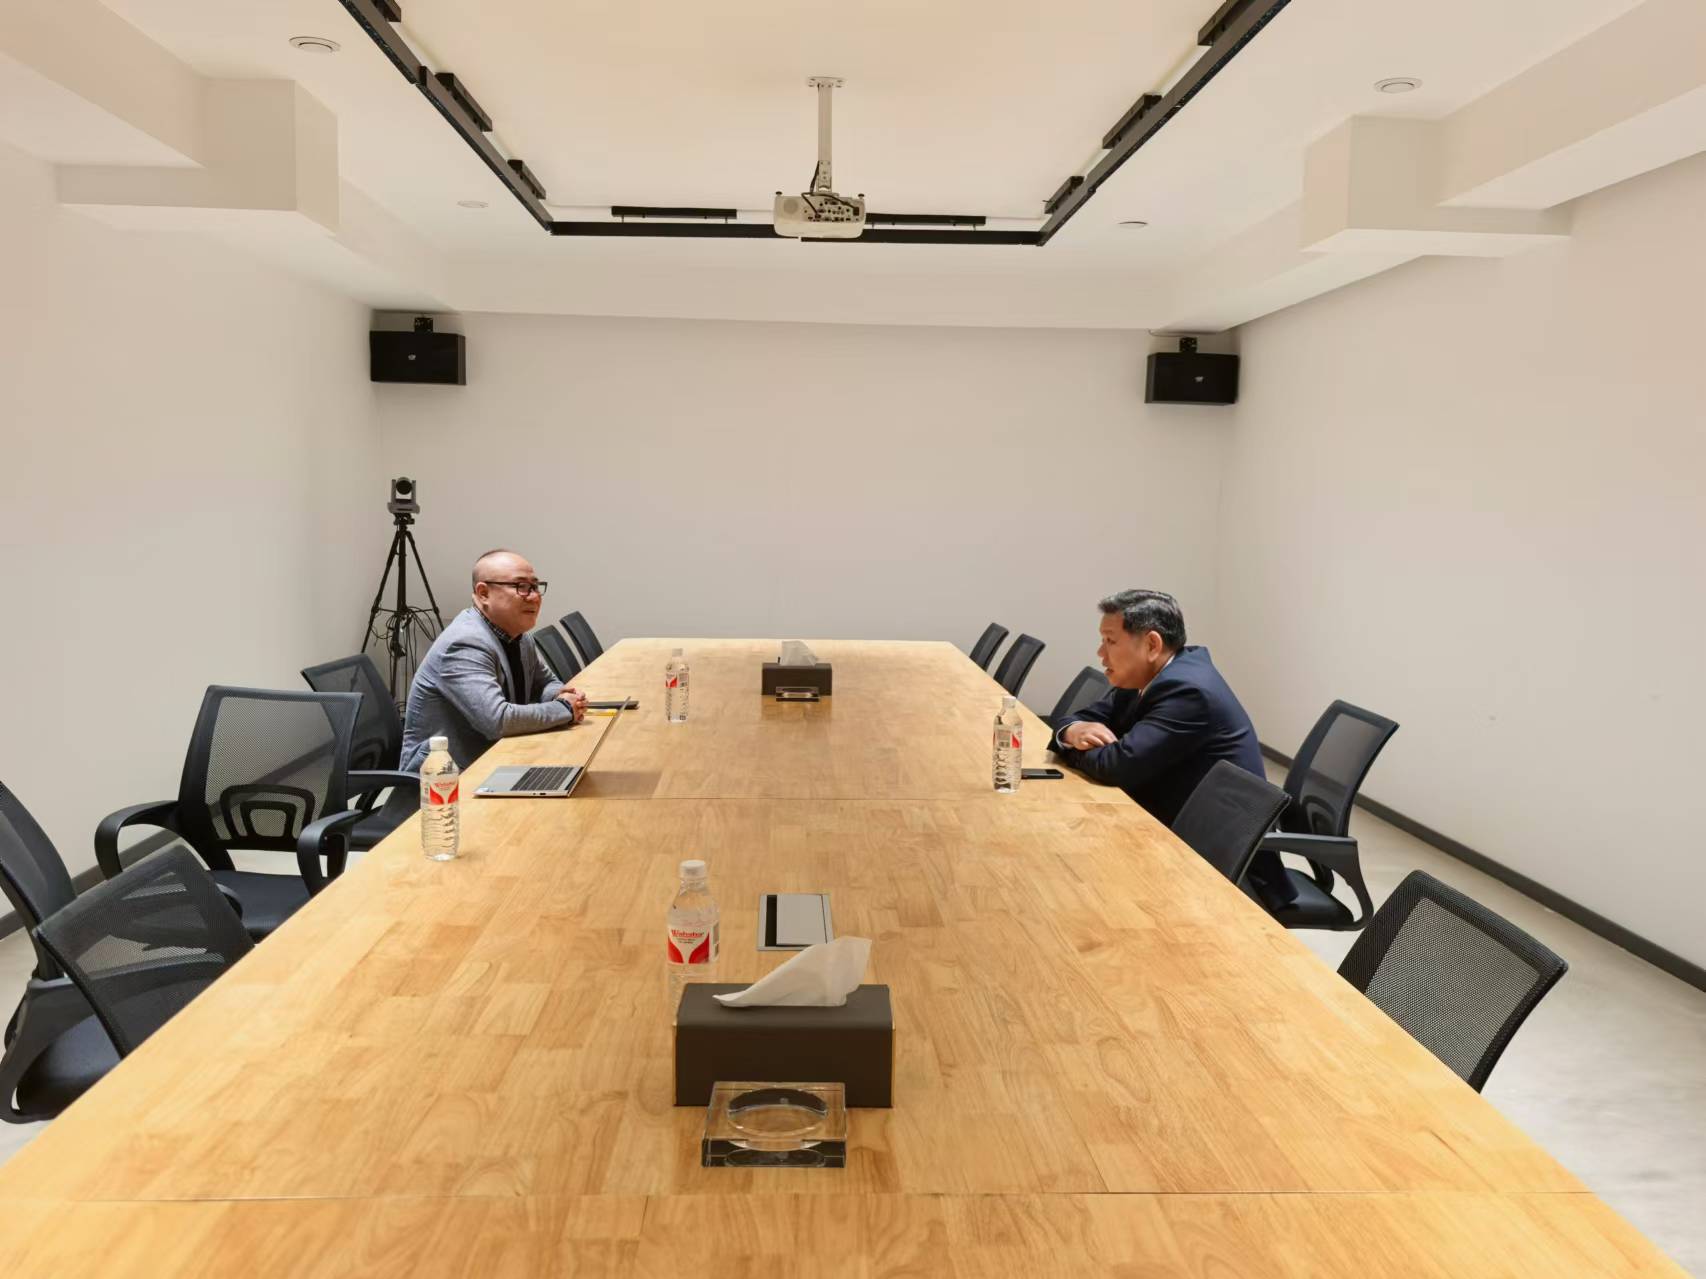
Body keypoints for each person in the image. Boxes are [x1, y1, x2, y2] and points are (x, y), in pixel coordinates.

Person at [1051, 589, 1295, 908]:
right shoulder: (1149, 675)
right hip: (1173, 831)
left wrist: (1073, 745)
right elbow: (1081, 719)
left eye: (1110, 641)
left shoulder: (1188, 691)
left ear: (1152, 645)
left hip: (1219, 867)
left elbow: (1117, 765)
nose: (1100, 653)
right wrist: (1073, 732)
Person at [399, 549, 587, 771]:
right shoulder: (465, 643)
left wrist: (559, 695)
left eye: (535, 587)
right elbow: (497, 721)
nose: (534, 596)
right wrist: (564, 708)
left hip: (499, 760)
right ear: (483, 593)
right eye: (521, 587)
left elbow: (545, 683)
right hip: (444, 780)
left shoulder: (519, 635)